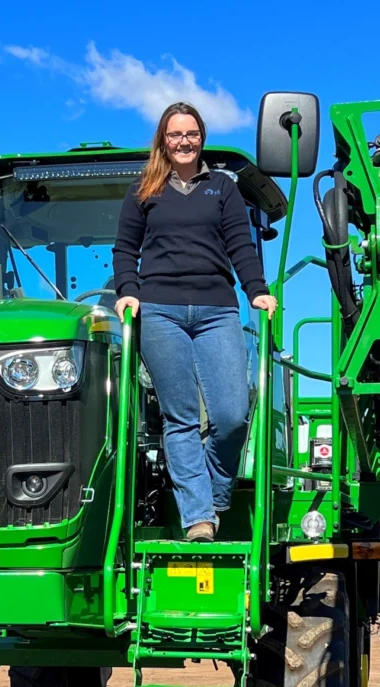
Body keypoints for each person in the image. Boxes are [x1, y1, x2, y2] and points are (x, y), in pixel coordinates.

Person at [112, 101, 277, 542]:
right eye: (174, 134)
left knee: (232, 414)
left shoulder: (222, 187)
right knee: (181, 418)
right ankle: (198, 518)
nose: (183, 141)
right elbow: (125, 249)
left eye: (191, 134)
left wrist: (256, 289)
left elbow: (241, 245)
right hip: (160, 311)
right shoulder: (143, 190)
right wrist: (128, 290)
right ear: (162, 141)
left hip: (217, 309)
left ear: (201, 137)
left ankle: (214, 496)